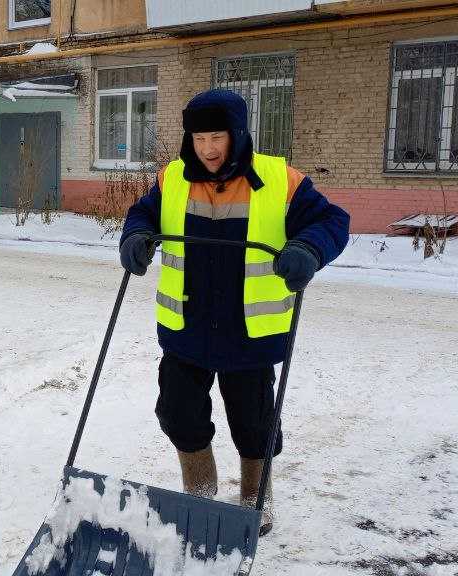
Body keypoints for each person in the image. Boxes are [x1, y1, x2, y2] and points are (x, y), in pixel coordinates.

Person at [118, 89, 350, 536]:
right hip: (187, 328)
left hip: (250, 335)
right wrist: (136, 237)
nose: (207, 148)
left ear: (238, 134)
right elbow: (142, 213)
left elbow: (332, 221)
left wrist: (307, 248)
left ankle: (253, 504)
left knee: (254, 424)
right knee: (178, 414)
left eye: (216, 137)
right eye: (200, 137)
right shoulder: (173, 178)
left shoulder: (279, 178)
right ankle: (201, 501)